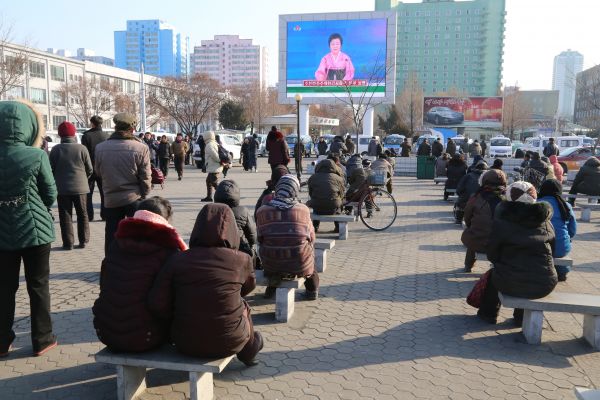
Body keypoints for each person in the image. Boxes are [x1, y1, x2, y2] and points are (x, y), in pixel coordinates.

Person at [148, 204, 263, 365]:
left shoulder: (178, 259)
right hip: (229, 341)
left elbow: (157, 303)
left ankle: (248, 348)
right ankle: (249, 352)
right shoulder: (241, 259)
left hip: (184, 342)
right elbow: (248, 288)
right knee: (243, 306)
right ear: (232, 229)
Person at [0, 100, 58, 357]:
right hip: (36, 232)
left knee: (3, 288)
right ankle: (42, 340)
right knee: (38, 286)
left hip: (1, 233)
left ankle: (2, 342)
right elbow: (50, 193)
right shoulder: (36, 155)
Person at [92, 197, 187, 352]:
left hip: (106, 332)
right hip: (146, 337)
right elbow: (164, 303)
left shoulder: (116, 244)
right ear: (166, 220)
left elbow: (104, 287)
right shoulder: (169, 250)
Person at [477, 181, 556, 325]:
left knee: (494, 277)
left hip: (509, 281)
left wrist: (501, 262)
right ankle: (521, 318)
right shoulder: (546, 222)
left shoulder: (501, 222)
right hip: (545, 283)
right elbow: (553, 251)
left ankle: (488, 314)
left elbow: (492, 254)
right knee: (521, 276)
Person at [95, 113, 151, 254]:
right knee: (137, 233)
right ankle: (135, 263)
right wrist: (145, 194)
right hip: (134, 196)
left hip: (111, 197)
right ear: (132, 129)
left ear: (115, 127)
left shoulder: (100, 147)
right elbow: (145, 176)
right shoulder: (140, 147)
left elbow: (98, 172)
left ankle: (110, 263)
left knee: (111, 233)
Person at [256, 175, 319, 300]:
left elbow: (259, 238)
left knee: (271, 249)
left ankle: (271, 289)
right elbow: (312, 238)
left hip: (270, 263)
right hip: (299, 264)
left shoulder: (262, 211)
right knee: (309, 257)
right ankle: (312, 292)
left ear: (278, 189)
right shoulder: (303, 210)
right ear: (295, 190)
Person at [49, 121, 93, 250]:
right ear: (74, 134)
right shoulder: (82, 149)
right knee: (83, 214)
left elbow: (51, 169)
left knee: (65, 215)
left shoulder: (56, 150)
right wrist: (83, 179)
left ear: (60, 135)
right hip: (81, 188)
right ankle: (83, 240)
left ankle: (68, 243)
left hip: (62, 189)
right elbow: (89, 169)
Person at [461, 170, 507, 272]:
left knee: (472, 233)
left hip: (479, 241)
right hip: (502, 244)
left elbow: (467, 217)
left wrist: (472, 226)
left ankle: (468, 265)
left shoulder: (476, 197)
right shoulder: (508, 198)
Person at [538, 179, 577, 282]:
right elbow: (572, 230)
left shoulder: (536, 203)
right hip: (561, 248)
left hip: (539, 246)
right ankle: (562, 271)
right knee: (560, 246)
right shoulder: (565, 205)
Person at [215, 180, 257, 262]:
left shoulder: (211, 210)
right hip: (238, 249)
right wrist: (251, 245)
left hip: (215, 250)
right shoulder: (243, 211)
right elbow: (252, 235)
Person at [81, 115, 109, 221]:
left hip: (90, 168)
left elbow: (85, 154)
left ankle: (89, 215)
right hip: (103, 168)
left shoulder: (86, 136)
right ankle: (105, 215)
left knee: (88, 193)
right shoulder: (106, 136)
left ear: (92, 123)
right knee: (104, 193)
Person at [307, 159, 346, 233]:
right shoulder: (339, 178)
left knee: (317, 201)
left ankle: (315, 226)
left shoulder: (313, 177)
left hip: (317, 207)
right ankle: (337, 226)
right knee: (339, 203)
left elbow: (311, 193)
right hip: (333, 206)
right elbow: (342, 194)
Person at [201, 131, 223, 202]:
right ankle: (209, 197)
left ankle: (223, 195)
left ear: (207, 136)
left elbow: (214, 155)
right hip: (214, 166)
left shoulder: (209, 145)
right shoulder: (214, 143)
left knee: (214, 182)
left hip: (214, 166)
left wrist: (219, 161)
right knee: (209, 181)